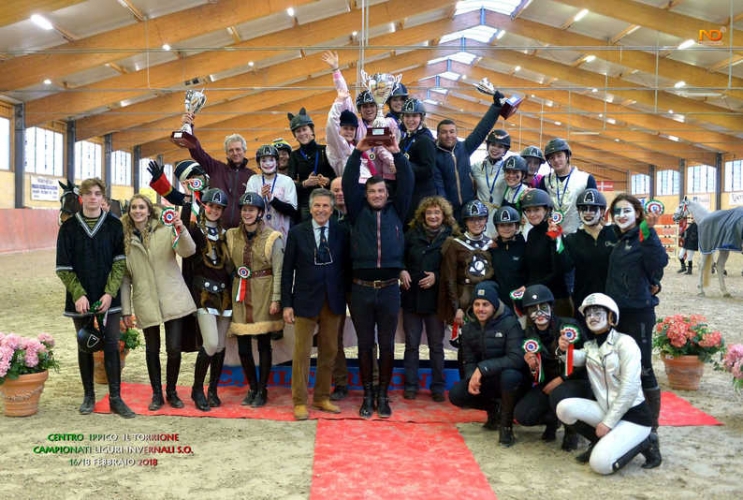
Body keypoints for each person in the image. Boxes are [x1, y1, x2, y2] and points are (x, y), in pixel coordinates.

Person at [342, 134, 413, 419]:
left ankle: (383, 395)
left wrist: (396, 153)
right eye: (372, 192)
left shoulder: (398, 210)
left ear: (387, 193)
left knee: (386, 344)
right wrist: (358, 152)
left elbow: (406, 181)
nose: (377, 196)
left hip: (389, 289)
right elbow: (348, 182)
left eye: (381, 191)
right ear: (366, 195)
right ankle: (368, 394)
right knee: (364, 345)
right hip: (360, 289)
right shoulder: (357, 212)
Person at [556, 293, 662, 474]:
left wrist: (608, 423)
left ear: (611, 317)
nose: (592, 317)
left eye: (598, 312)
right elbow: (578, 358)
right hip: (606, 410)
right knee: (564, 408)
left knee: (600, 466)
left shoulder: (626, 343)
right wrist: (564, 349)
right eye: (588, 314)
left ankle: (647, 441)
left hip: (634, 416)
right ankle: (599, 441)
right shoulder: (591, 346)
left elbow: (629, 389)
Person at [56, 177, 134, 418]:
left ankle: (115, 398)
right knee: (85, 343)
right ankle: (88, 396)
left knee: (111, 344)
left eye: (97, 193)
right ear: (81, 197)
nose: (92, 197)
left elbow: (119, 263)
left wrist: (110, 294)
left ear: (103, 198)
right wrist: (78, 294)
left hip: (107, 297)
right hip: (80, 298)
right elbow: (63, 267)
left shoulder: (113, 226)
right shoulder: (68, 228)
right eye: (88, 193)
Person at [120, 194, 197, 411]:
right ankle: (156, 394)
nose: (137, 211)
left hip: (173, 296)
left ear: (149, 210)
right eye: (133, 207)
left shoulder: (166, 229)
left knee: (174, 348)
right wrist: (126, 309)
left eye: (141, 207)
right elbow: (125, 279)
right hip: (145, 300)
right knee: (152, 349)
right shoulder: (125, 239)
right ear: (129, 211)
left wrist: (181, 230)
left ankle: (171, 391)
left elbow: (187, 251)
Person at [605, 193, 668, 459]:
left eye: (626, 211)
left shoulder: (643, 236)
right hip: (616, 314)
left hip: (639, 313)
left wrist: (649, 231)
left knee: (643, 369)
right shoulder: (616, 238)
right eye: (617, 211)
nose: (621, 215)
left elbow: (659, 263)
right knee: (619, 368)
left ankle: (651, 431)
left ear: (638, 214)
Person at [282, 188, 349, 420]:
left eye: (326, 206)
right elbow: (287, 270)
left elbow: (346, 268)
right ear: (310, 208)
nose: (321, 210)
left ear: (332, 209)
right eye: (317, 206)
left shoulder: (341, 232)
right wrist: (286, 303)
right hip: (304, 300)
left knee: (329, 351)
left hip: (333, 300)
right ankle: (299, 401)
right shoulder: (297, 233)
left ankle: (321, 397)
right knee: (301, 353)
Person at [448, 281, 527, 446]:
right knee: (456, 394)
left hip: (513, 381)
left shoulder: (510, 323)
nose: (480, 309)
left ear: (494, 305)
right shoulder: (469, 328)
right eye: (477, 304)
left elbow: (516, 358)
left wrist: (482, 369)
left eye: (485, 304)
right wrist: (472, 378)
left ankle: (506, 426)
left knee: (509, 375)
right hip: (486, 378)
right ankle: (494, 409)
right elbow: (469, 360)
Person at [225, 192, 284, 407]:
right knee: (243, 347)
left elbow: (279, 270)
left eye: (252, 210)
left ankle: (262, 389)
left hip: (264, 293)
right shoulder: (231, 236)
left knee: (264, 345)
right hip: (240, 294)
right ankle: (251, 386)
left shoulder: (272, 238)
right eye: (244, 209)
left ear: (260, 212)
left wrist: (277, 298)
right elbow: (227, 265)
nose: (247, 213)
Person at [400, 196, 458, 402]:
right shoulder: (411, 235)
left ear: (444, 215)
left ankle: (438, 387)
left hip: (436, 301)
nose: (433, 216)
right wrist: (402, 270)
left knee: (436, 346)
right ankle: (411, 386)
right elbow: (400, 257)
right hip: (411, 298)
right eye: (429, 213)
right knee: (412, 346)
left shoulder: (452, 237)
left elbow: (455, 269)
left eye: (437, 213)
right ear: (423, 215)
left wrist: (437, 277)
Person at [181, 188, 232, 411]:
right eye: (211, 206)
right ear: (204, 206)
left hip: (225, 295)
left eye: (218, 208)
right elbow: (181, 234)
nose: (214, 210)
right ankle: (196, 389)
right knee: (210, 342)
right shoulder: (194, 229)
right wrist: (185, 200)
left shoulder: (226, 234)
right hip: (202, 295)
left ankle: (213, 389)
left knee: (220, 345)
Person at [514, 285, 584, 447]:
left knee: (558, 394)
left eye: (543, 307)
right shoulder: (528, 335)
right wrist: (532, 367)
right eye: (533, 309)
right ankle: (552, 421)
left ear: (552, 307)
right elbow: (533, 374)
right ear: (528, 313)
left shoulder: (570, 327)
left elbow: (587, 360)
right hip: (548, 383)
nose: (539, 313)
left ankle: (572, 429)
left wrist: (561, 379)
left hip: (575, 381)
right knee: (523, 414)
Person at [433, 89, 505, 222]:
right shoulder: (434, 155)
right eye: (444, 132)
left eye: (452, 132)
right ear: (438, 135)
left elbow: (481, 130)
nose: (448, 135)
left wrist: (496, 107)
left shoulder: (464, 148)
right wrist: (445, 212)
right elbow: (439, 186)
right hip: (449, 212)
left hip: (469, 208)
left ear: (456, 133)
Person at [181, 113, 256, 229]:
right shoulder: (216, 168)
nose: (235, 153)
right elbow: (197, 152)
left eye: (238, 149)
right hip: (216, 230)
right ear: (226, 153)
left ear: (244, 151)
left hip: (241, 232)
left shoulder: (252, 176)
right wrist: (189, 128)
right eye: (231, 150)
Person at [519, 189, 573, 318]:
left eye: (536, 210)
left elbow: (561, 269)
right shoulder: (531, 234)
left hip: (556, 300)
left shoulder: (555, 232)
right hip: (535, 297)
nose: (532, 214)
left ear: (546, 210)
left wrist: (556, 239)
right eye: (528, 210)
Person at [562, 189, 618, 314]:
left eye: (593, 209)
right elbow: (565, 266)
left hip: (613, 298)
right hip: (584, 299)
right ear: (578, 211)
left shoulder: (615, 233)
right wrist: (556, 241)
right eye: (583, 209)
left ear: (602, 211)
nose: (588, 213)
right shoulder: (571, 239)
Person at [538, 138, 597, 235]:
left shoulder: (586, 179)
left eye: (559, 156)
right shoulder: (545, 181)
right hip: (553, 236)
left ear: (568, 156)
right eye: (552, 158)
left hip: (580, 235)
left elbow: (595, 209)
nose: (556, 160)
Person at [286, 107, 336, 221]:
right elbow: (289, 184)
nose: (302, 133)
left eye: (304, 129)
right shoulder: (294, 156)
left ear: (311, 130)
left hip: (326, 200)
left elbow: (337, 176)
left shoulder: (325, 150)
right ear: (295, 135)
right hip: (306, 204)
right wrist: (304, 183)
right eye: (298, 131)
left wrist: (328, 180)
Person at [246, 144, 298, 240]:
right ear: (258, 164)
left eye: (271, 160)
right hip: (258, 236)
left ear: (277, 162)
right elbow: (248, 210)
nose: (268, 163)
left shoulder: (287, 181)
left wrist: (273, 199)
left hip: (282, 236)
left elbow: (292, 211)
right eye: (264, 160)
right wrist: (260, 198)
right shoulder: (253, 180)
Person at [399, 98, 436, 224]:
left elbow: (428, 170)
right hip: (409, 192)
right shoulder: (405, 139)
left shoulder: (425, 140)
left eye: (414, 116)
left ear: (421, 118)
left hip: (422, 195)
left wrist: (403, 166)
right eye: (407, 116)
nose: (410, 120)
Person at [472, 129, 511, 236]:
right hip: (478, 215)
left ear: (505, 150)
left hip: (499, 216)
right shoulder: (476, 167)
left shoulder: (508, 170)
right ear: (488, 145)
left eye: (500, 146)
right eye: (493, 144)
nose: (495, 149)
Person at [489, 206, 526, 311]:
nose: (506, 228)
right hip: (501, 303)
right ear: (497, 228)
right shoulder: (492, 249)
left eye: (510, 225)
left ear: (517, 226)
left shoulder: (525, 246)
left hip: (522, 300)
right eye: (502, 225)